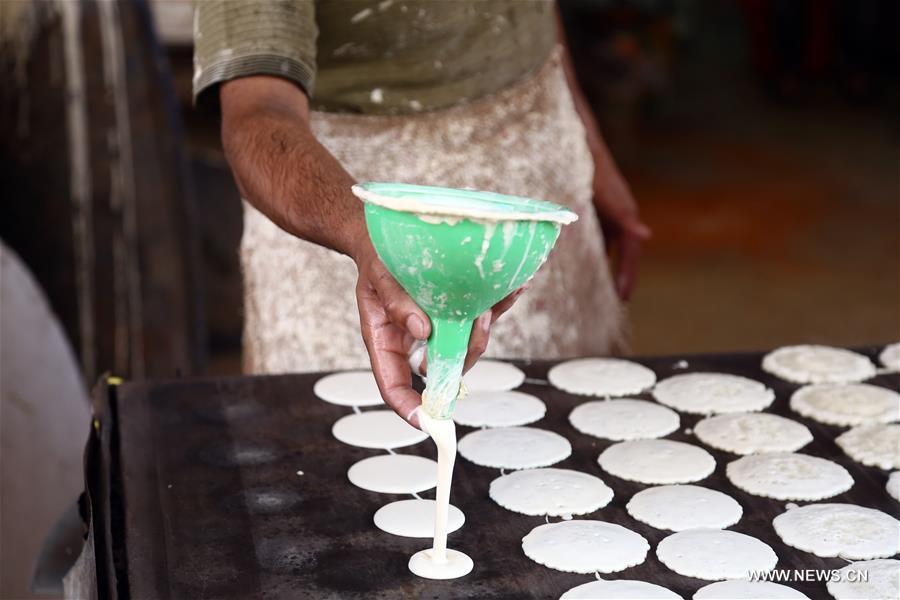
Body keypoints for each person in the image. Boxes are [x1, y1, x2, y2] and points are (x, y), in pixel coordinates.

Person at [193, 0, 649, 427]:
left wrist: (588, 146)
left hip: (532, 159)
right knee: (336, 454)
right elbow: (257, 113)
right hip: (343, 195)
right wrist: (367, 229)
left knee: (558, 444)